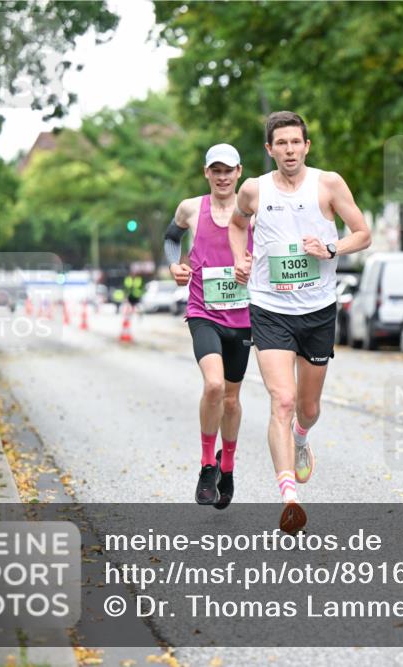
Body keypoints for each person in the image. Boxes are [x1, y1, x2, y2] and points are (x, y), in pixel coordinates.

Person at [229, 111, 371, 532]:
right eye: (281, 143)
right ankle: (289, 495)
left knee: (307, 409)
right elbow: (237, 225)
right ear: (269, 149)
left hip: (317, 309)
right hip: (270, 307)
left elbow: (363, 233)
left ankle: (302, 438)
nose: (289, 150)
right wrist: (241, 258)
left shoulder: (327, 184)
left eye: (296, 142)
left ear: (306, 146)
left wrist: (330, 247)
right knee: (283, 401)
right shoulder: (254, 190)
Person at [165, 143, 254, 509]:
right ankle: (206, 465)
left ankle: (227, 468)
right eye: (215, 170)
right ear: (206, 173)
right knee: (214, 385)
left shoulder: (253, 209)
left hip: (244, 316)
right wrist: (174, 265)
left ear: (239, 173)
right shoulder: (190, 208)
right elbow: (172, 239)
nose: (222, 177)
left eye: (228, 170)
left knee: (232, 400)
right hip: (203, 312)